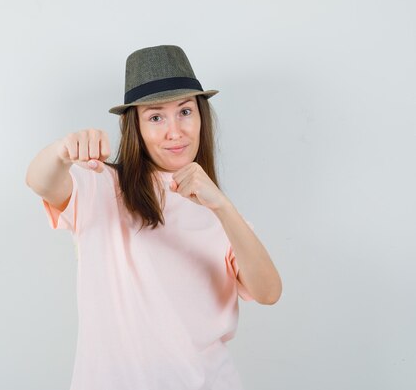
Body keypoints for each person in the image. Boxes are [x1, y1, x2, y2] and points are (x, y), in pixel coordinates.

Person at [25, 45, 282, 390]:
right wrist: (61, 151)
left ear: (202, 116)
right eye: (156, 117)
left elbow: (268, 292)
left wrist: (221, 205)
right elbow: (39, 181)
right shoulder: (102, 188)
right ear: (136, 127)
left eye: (185, 111)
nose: (175, 131)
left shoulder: (220, 213)